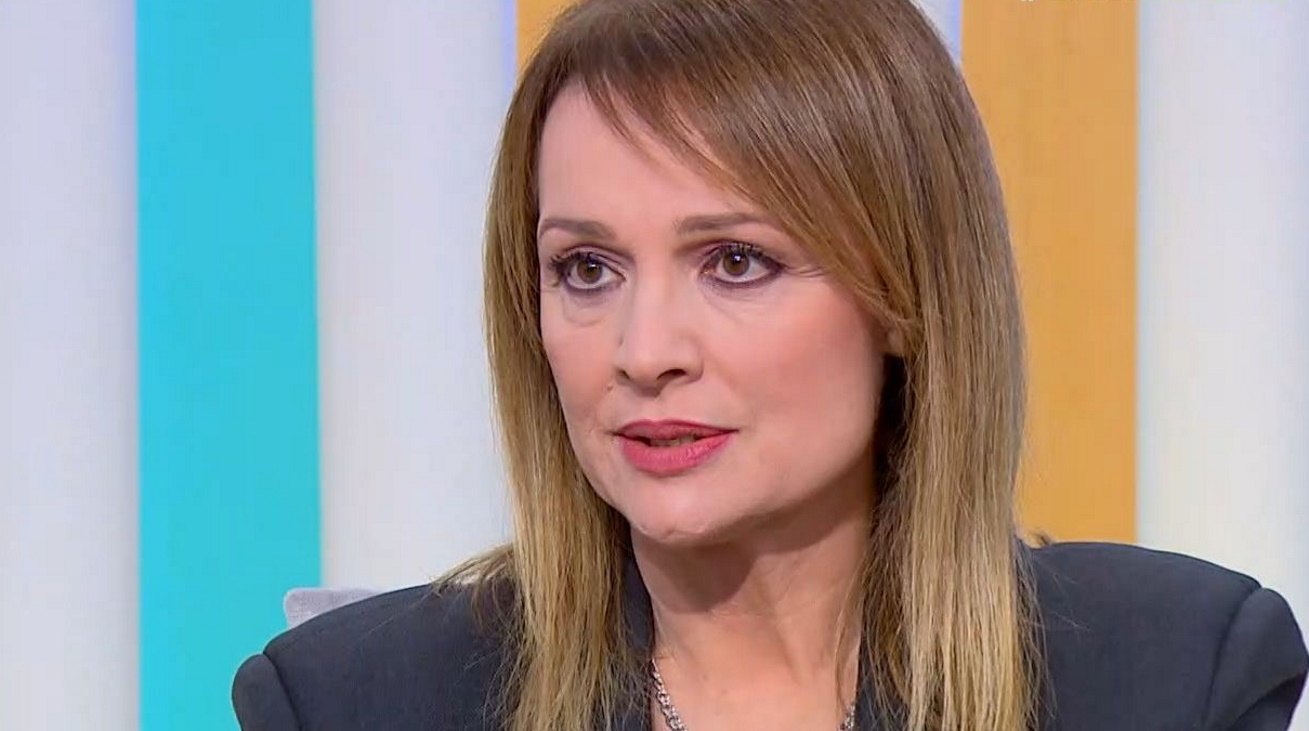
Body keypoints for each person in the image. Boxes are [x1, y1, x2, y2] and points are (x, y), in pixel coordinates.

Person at [231, 0, 1308, 728]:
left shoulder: (1163, 674)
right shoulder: (356, 699)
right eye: (587, 268)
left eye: (735, 261)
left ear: (904, 293)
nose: (644, 352)